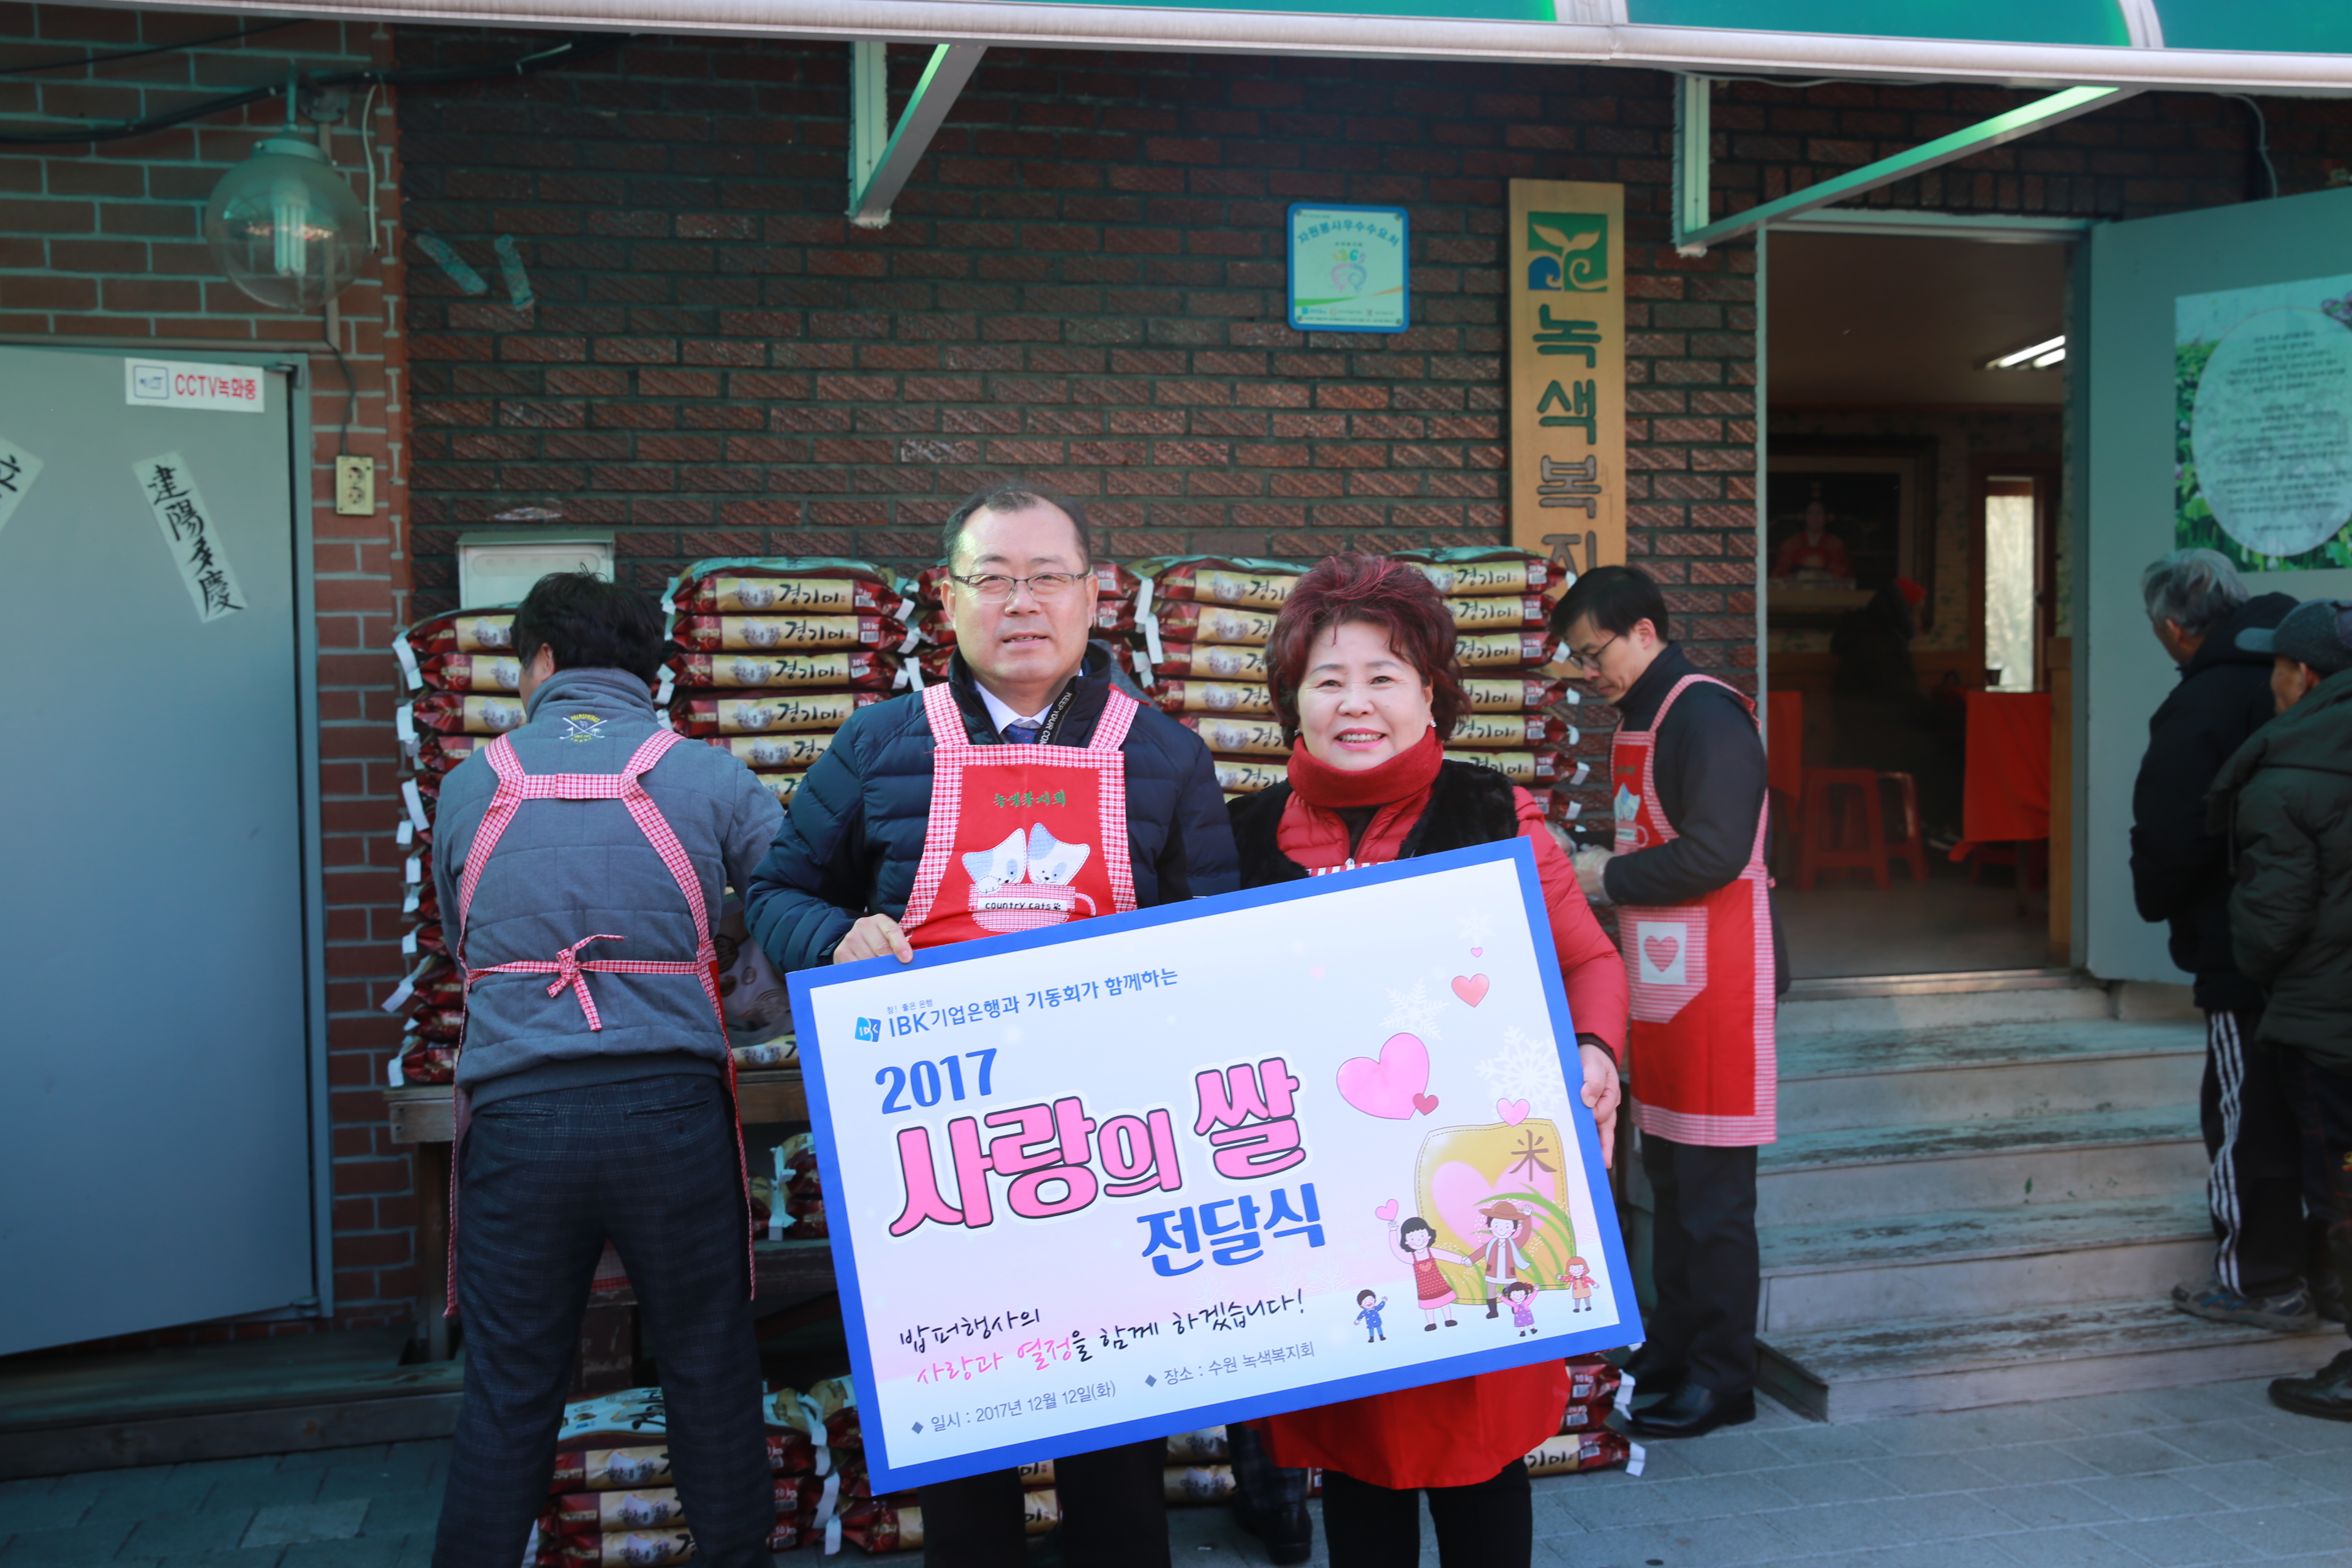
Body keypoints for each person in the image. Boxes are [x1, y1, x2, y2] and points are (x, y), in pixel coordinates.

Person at [743, 480, 1235, 1568]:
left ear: (1095, 596)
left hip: (1112, 1153)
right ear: (947, 601)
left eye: (1048, 578)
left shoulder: (1165, 754)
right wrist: (836, 938)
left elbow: (1218, 947)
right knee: (965, 1450)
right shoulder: (877, 745)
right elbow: (772, 894)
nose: (1023, 603)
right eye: (994, 579)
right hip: (940, 1160)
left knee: (1119, 1444)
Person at [1226, 553, 1628, 1568]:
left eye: (1383, 677)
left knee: (1481, 1458)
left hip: (1471, 1197)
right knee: (1358, 1464)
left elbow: (1590, 962)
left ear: (1430, 693)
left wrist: (1593, 1051)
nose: (1355, 703)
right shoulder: (1239, 838)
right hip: (1324, 1213)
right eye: (1328, 680)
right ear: (1293, 702)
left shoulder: (1494, 815)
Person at [428, 574, 785, 1568]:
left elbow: (464, 938)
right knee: (709, 1366)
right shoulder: (711, 778)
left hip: (517, 1119)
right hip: (672, 1116)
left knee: (509, 1387)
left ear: (540, 662)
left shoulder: (470, 783)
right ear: (647, 669)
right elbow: (789, 913)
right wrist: (746, 1006)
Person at [1549, 564, 1781, 1442]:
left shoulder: (1707, 715)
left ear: (1643, 630)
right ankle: (1677, 1350)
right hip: (1665, 985)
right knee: (1673, 1184)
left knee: (1716, 1198)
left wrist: (1602, 872)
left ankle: (1727, 1379)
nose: (1588, 672)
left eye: (1593, 652)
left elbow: (1718, 852)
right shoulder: (1642, 715)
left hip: (1720, 987)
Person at [2130, 551, 2315, 1329]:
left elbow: (2174, 836)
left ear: (2175, 629)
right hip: (2324, 947)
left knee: (2246, 1114)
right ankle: (2323, 1275)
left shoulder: (2202, 702)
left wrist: (2161, 903)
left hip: (2245, 947)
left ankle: (2257, 1279)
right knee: (2316, 1110)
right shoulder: (2315, 674)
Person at [2209, 599, 2352, 1419]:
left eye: (2274, 666)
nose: (2268, 682)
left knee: (2346, 1190)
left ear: (2303, 676)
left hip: (2332, 1029)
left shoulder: (2289, 769)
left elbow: (2269, 925)